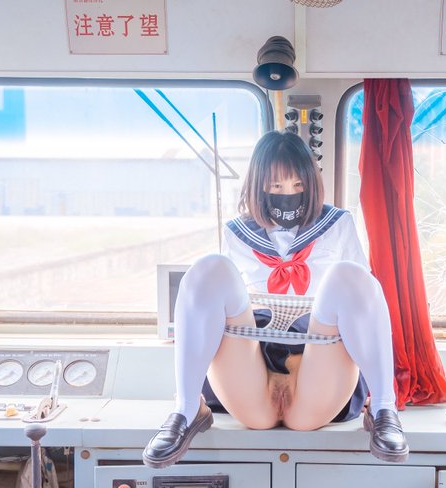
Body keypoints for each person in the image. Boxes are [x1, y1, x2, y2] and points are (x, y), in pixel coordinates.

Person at [142, 130, 408, 468]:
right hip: (252, 371)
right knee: (209, 268)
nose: (288, 195)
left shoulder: (338, 224)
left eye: (298, 185)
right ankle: (187, 408)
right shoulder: (237, 233)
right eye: (276, 186)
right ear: (258, 186)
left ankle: (383, 408)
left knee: (350, 276)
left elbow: (363, 306)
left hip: (318, 368)